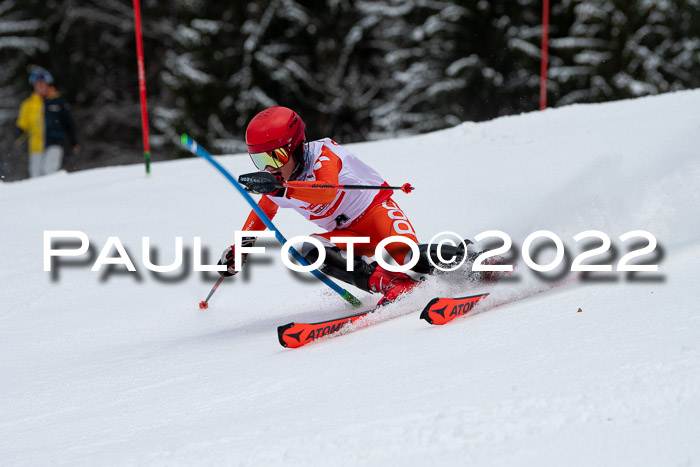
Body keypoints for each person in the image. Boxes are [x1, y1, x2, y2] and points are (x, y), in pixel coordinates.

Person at [218, 106, 441, 306]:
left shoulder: (323, 156)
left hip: (376, 213)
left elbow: (326, 192)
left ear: (295, 146)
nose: (269, 169)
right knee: (307, 249)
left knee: (408, 257)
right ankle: (396, 286)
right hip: (348, 234)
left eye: (275, 157)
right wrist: (241, 248)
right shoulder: (281, 181)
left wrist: (282, 189)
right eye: (260, 161)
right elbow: (264, 211)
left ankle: (469, 260)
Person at [14, 68, 79, 178]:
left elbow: (69, 123)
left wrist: (74, 141)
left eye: (42, 84)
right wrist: (18, 133)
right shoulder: (28, 104)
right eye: (37, 84)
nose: (40, 86)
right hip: (36, 145)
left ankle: (52, 192)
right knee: (36, 175)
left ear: (47, 84)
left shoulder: (58, 101)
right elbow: (22, 123)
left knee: (49, 170)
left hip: (55, 141)